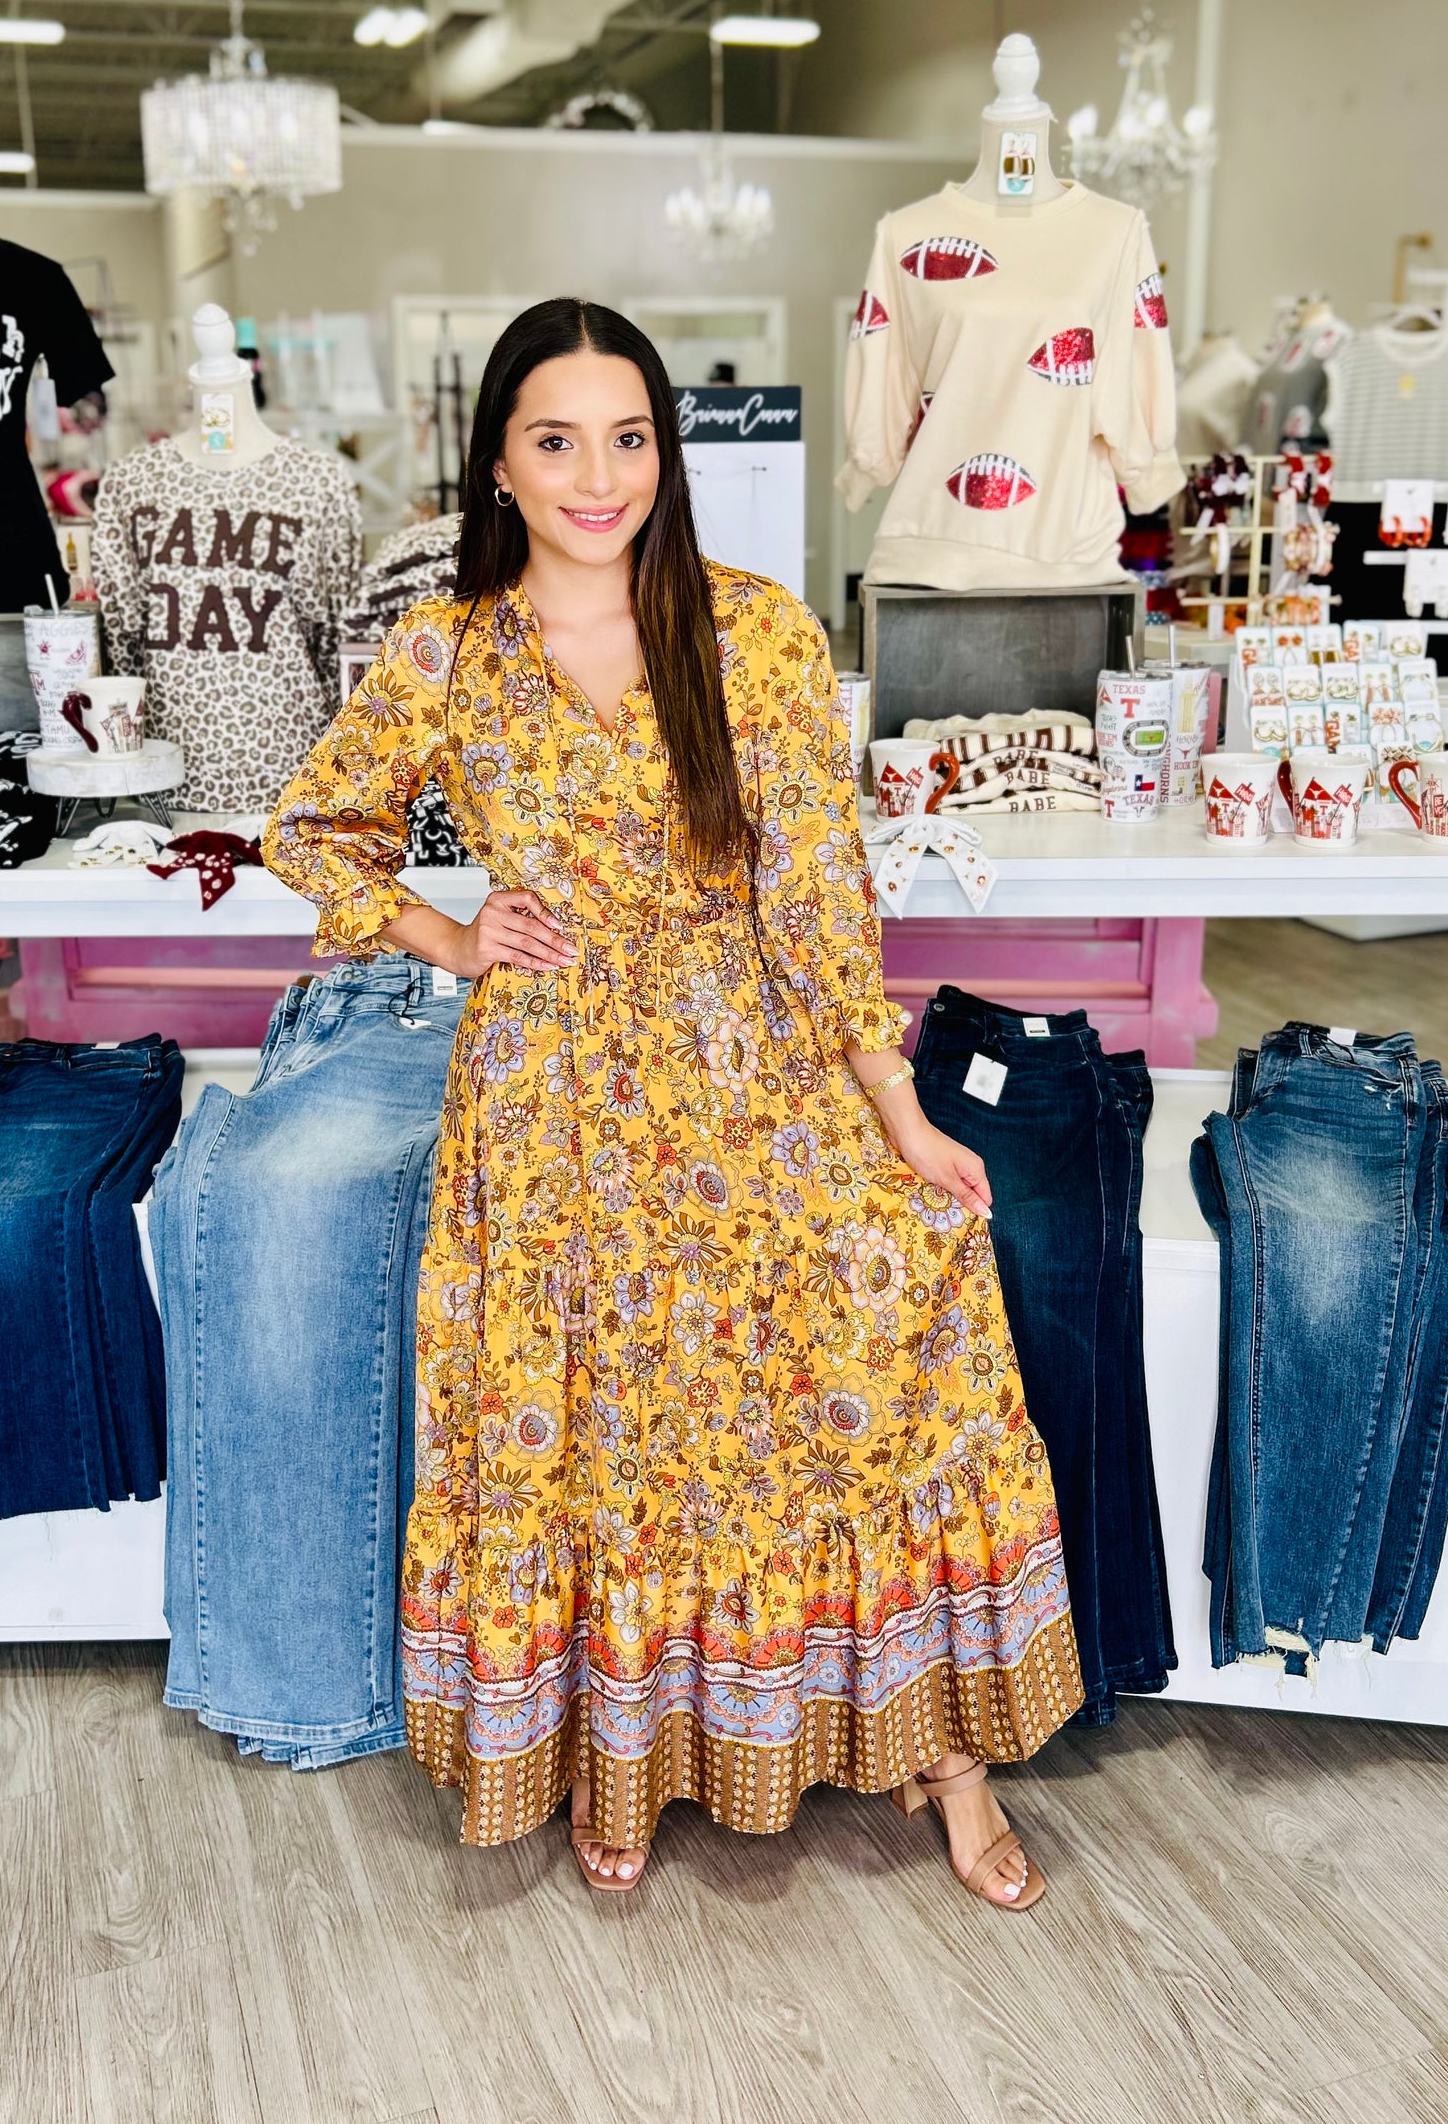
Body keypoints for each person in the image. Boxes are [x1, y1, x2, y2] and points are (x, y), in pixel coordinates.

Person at [263, 299, 1081, 1903]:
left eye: (628, 438)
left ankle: (947, 1749)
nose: (597, 475)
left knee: (887, 1296)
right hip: (547, 1083)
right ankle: (615, 1751)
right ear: (496, 460)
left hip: (745, 1053)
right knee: (593, 1423)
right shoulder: (448, 651)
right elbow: (313, 827)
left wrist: (897, 1114)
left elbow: (819, 894)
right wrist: (446, 931)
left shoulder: (755, 630)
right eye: (556, 439)